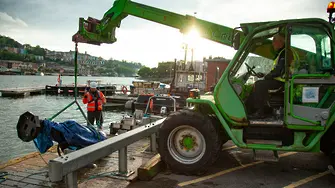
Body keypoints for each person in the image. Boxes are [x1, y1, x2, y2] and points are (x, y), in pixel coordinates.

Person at [249, 32, 297, 118]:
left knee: (259, 85)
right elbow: (277, 69)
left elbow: (279, 71)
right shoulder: (283, 52)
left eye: (274, 40)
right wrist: (265, 74)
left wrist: (267, 76)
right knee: (261, 83)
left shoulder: (285, 53)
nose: (272, 43)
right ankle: (266, 108)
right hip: (282, 80)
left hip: (283, 82)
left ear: (281, 42)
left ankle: (260, 112)